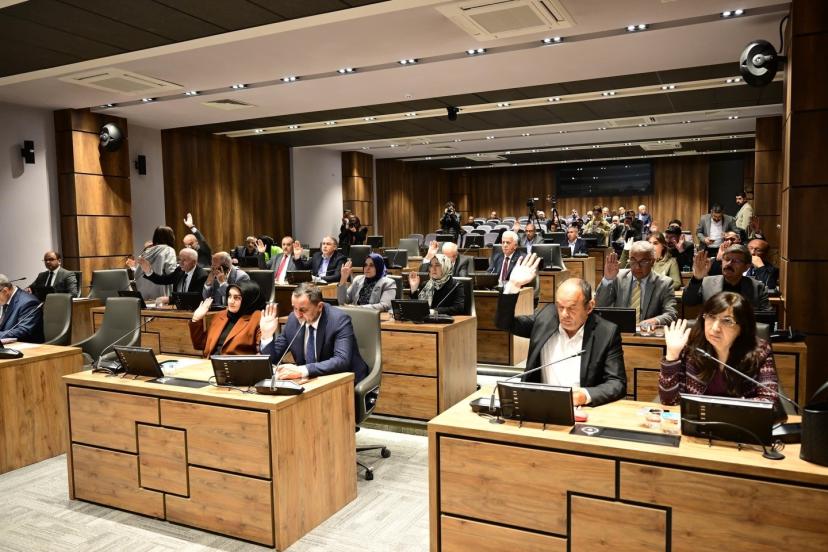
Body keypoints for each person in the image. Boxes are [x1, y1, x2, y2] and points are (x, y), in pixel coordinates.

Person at [495, 257, 626, 406]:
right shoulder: (546, 318)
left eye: (571, 308)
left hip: (581, 409)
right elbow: (504, 323)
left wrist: (584, 395)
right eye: (560, 307)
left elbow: (617, 383)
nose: (564, 314)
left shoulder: (606, 333)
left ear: (589, 307)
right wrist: (513, 285)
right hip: (539, 404)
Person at [659, 292, 779, 405]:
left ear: (742, 327)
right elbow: (669, 400)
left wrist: (722, 411)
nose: (715, 328)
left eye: (727, 321)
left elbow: (769, 400)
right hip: (698, 419)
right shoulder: (690, 347)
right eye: (711, 317)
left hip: (740, 419)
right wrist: (672, 356)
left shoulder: (760, 351)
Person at [259, 283, 368, 382]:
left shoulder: (338, 320)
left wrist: (302, 370)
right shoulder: (293, 320)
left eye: (303, 310)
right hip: (310, 381)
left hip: (344, 381)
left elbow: (342, 361)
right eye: (294, 308)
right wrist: (267, 335)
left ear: (319, 307)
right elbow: (273, 359)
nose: (298, 315)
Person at [597, 241, 678, 327]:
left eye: (643, 262)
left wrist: (655, 321)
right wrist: (608, 279)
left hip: (647, 333)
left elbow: (671, 314)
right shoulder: (617, 277)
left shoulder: (664, 283)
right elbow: (600, 305)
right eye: (633, 261)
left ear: (652, 262)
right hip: (621, 331)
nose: (637, 267)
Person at [683, 244, 771, 313]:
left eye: (736, 261)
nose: (729, 263)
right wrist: (697, 279)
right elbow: (688, 301)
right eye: (727, 259)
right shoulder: (707, 282)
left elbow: (767, 317)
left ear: (746, 267)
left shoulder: (757, 287)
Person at [188, 281, 263, 357]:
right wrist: (196, 318)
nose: (231, 301)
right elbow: (200, 345)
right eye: (229, 296)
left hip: (236, 364)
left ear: (248, 299)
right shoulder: (220, 315)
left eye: (237, 298)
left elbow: (262, 351)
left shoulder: (258, 318)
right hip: (210, 362)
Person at [138, 248, 208, 305]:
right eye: (179, 260)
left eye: (184, 260)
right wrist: (149, 272)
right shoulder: (179, 270)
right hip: (178, 309)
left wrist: (170, 299)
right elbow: (164, 280)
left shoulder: (201, 276)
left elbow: (194, 298)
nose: (180, 263)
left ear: (194, 262)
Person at [132, 226, 178, 301]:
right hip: (161, 292)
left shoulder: (146, 251)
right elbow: (171, 272)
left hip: (144, 292)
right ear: (170, 237)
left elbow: (137, 273)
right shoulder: (169, 250)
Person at [0, 274, 44, 343]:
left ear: (5, 291)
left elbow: (23, 330)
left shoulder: (29, 302)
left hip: (28, 346)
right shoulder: (4, 299)